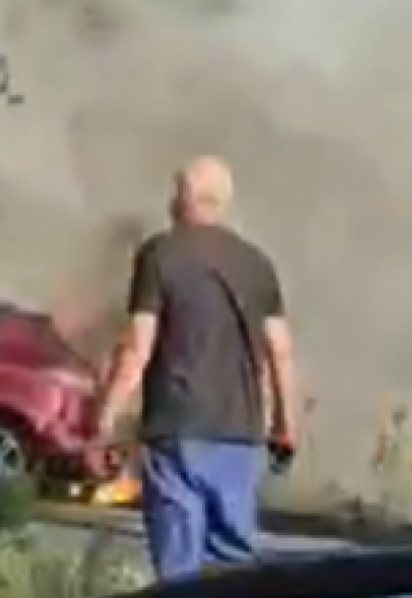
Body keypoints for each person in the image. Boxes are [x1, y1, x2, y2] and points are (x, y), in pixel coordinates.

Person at [92, 155, 301, 580]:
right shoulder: (257, 264)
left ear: (180, 200)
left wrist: (105, 424)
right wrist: (285, 426)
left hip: (177, 432)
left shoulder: (160, 254)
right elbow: (280, 352)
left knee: (179, 572)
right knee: (235, 573)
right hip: (240, 438)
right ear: (223, 203)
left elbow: (137, 348)